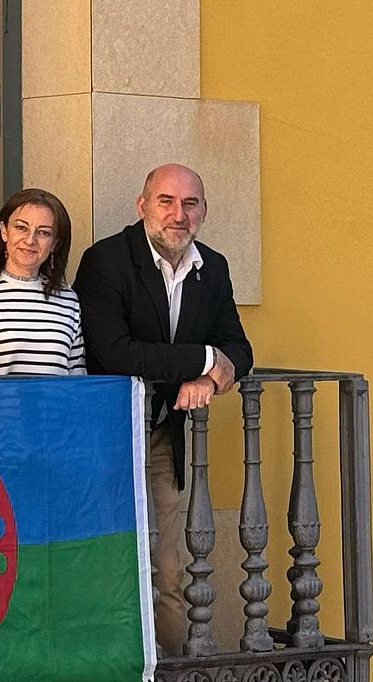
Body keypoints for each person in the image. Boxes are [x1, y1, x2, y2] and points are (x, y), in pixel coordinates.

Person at [73, 163, 253, 656]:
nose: (178, 214)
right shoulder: (106, 260)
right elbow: (115, 353)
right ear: (143, 205)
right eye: (166, 201)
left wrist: (211, 377)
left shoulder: (210, 266)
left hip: (163, 438)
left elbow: (238, 345)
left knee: (170, 570)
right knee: (104, 566)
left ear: (203, 211)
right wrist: (201, 358)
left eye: (190, 203)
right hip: (106, 438)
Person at [0, 188, 85, 376]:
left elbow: (77, 381)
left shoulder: (68, 299)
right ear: (4, 231)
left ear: (55, 243)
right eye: (21, 228)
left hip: (56, 407)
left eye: (43, 233)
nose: (30, 240)